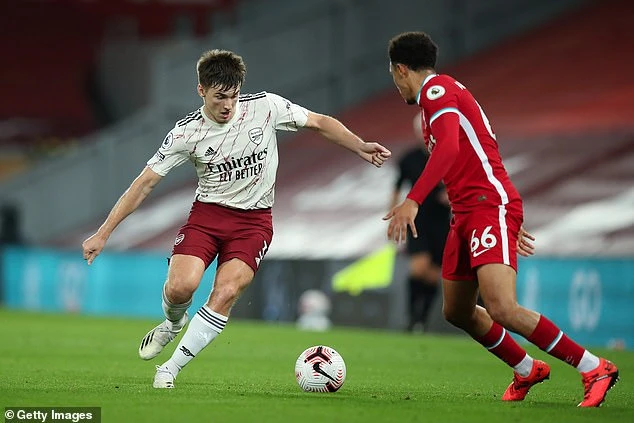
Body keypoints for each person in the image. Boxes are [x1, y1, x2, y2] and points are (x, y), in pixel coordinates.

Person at [82, 49, 391, 388]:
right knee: (181, 287)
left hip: (253, 223)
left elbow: (319, 122)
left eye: (234, 96)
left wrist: (359, 145)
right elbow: (144, 184)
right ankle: (172, 323)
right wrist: (104, 233)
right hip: (207, 217)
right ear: (201, 91)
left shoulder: (266, 107)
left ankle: (169, 369)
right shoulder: (186, 133)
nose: (228, 105)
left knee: (226, 291)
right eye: (219, 97)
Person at [383, 32, 618, 407]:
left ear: (400, 69)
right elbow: (478, 149)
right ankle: (527, 368)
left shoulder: (437, 91)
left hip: (485, 207)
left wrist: (414, 200)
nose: (396, 87)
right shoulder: (437, 101)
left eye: (393, 77)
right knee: (457, 311)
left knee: (502, 307)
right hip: (469, 211)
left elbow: (450, 148)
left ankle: (595, 367)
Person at [390, 115, 450, 332]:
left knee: (433, 275)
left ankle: (421, 320)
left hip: (442, 223)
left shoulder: (448, 156)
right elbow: (397, 187)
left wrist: (451, 196)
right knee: (418, 268)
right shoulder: (409, 159)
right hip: (417, 221)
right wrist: (394, 213)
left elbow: (462, 183)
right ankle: (411, 317)